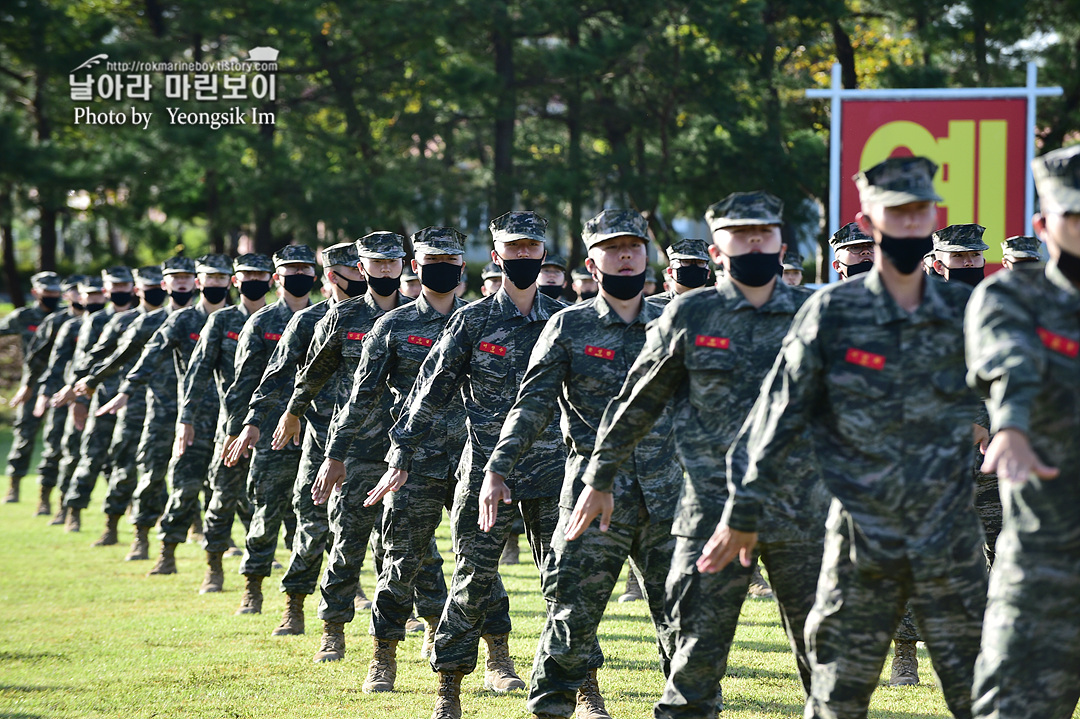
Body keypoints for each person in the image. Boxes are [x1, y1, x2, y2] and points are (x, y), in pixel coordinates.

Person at [704, 157, 987, 719]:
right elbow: (776, 418)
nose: (908, 225)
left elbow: (1026, 390)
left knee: (982, 695)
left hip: (950, 536)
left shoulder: (970, 309)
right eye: (894, 214)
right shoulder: (832, 313)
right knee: (837, 696)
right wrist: (743, 512)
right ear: (869, 220)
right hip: (860, 536)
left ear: (934, 218)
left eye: (917, 214)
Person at [583, 192, 825, 717]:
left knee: (828, 666)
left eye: (764, 232)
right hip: (710, 511)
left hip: (802, 510)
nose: (754, 242)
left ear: (783, 242)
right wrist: (599, 478)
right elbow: (637, 400)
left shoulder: (815, 313)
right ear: (718, 248)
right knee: (693, 661)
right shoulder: (694, 313)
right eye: (741, 234)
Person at [367, 213, 567, 719]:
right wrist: (401, 452)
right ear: (495, 257)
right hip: (483, 476)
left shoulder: (566, 319)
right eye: (512, 250)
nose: (522, 257)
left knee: (567, 584)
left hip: (549, 469)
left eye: (531, 248)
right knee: (472, 579)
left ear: (542, 254)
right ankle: (449, 690)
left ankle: (583, 688)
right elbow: (429, 391)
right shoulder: (473, 320)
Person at [489, 209, 681, 719]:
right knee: (571, 618)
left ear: (648, 256)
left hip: (669, 499)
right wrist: (497, 468)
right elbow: (531, 406)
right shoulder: (567, 327)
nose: (624, 255)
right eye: (612, 248)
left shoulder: (675, 324)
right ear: (592, 265)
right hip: (594, 501)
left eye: (633, 247)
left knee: (688, 628)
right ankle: (552, 709)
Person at [316, 228, 469, 691]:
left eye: (451, 258)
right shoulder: (393, 326)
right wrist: (336, 453)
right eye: (432, 259)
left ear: (463, 267)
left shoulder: (478, 320)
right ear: (416, 267)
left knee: (477, 563)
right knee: (400, 559)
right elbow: (360, 397)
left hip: (469, 456)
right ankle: (382, 655)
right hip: (409, 457)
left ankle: (497, 657)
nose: (442, 267)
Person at [284, 231, 439, 662]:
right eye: (377, 263)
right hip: (355, 448)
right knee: (347, 541)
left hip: (407, 449)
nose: (386, 270)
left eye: (393, 263)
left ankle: (430, 625)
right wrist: (294, 413)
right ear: (363, 266)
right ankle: (332, 631)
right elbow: (315, 373)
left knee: (420, 547)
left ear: (404, 265)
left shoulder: (422, 316)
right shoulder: (344, 316)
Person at [968, 143, 1080, 719]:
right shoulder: (1012, 295)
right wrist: (1009, 425)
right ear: (1044, 224)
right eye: (1074, 216)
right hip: (1044, 556)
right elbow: (1010, 360)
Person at [234, 242, 368, 635]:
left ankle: (406, 611)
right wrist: (253, 422)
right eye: (355, 272)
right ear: (334, 276)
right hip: (318, 435)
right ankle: (292, 605)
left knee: (392, 529)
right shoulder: (309, 321)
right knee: (312, 525)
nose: (364, 278)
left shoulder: (388, 318)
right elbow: (274, 377)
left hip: (375, 441)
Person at [93, 254, 236, 575]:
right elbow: (133, 357)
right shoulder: (170, 321)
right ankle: (143, 537)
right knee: (155, 473)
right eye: (179, 276)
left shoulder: (239, 320)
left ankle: (219, 542)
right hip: (165, 412)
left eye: (220, 277)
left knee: (224, 485)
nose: (184, 282)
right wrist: (118, 390)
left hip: (224, 417)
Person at [72, 257, 194, 544]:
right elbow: (116, 357)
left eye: (186, 277)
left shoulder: (210, 320)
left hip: (201, 410)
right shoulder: (146, 322)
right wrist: (87, 383)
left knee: (198, 473)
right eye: (175, 278)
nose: (181, 283)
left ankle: (201, 532)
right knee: (135, 467)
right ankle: (121, 527)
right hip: (149, 406)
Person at [223, 244, 317, 615]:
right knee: (266, 514)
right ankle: (253, 586)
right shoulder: (260, 324)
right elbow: (243, 383)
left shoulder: (325, 319)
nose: (298, 276)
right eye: (290, 270)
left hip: (317, 432)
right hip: (270, 437)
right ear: (277, 278)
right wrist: (241, 429)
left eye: (304, 270)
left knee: (317, 518)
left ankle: (310, 597)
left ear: (315, 276)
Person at [182, 254, 273, 593]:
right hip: (233, 425)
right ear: (235, 281)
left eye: (259, 275)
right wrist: (186, 419)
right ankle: (214, 567)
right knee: (222, 498)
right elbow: (198, 372)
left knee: (283, 503)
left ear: (270, 280)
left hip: (278, 427)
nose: (253, 280)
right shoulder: (221, 321)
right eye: (246, 275)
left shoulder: (285, 320)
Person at [58, 267, 139, 532]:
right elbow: (85, 362)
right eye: (114, 286)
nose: (119, 291)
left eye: (124, 285)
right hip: (100, 396)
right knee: (91, 455)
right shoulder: (98, 321)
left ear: (132, 288)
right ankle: (73, 510)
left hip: (135, 400)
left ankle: (124, 512)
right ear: (107, 290)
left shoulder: (143, 319)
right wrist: (79, 401)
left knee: (129, 459)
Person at [21, 275, 83, 515]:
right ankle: (45, 498)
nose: (80, 296)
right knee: (55, 447)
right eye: (75, 292)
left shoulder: (103, 321)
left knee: (86, 452)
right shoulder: (58, 323)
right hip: (59, 393)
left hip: (89, 395)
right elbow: (41, 359)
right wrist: (36, 388)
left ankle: (69, 506)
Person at [2, 271, 62, 503]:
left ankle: (45, 496)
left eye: (56, 292)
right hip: (31, 385)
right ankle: (14, 486)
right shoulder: (24, 317)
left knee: (56, 439)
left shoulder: (67, 317)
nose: (52, 297)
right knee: (24, 435)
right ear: (36, 293)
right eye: (48, 293)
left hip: (60, 385)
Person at [647, 238, 711, 308]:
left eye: (700, 262)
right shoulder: (650, 306)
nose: (693, 267)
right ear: (670, 271)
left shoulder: (720, 306)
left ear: (708, 273)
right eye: (686, 262)